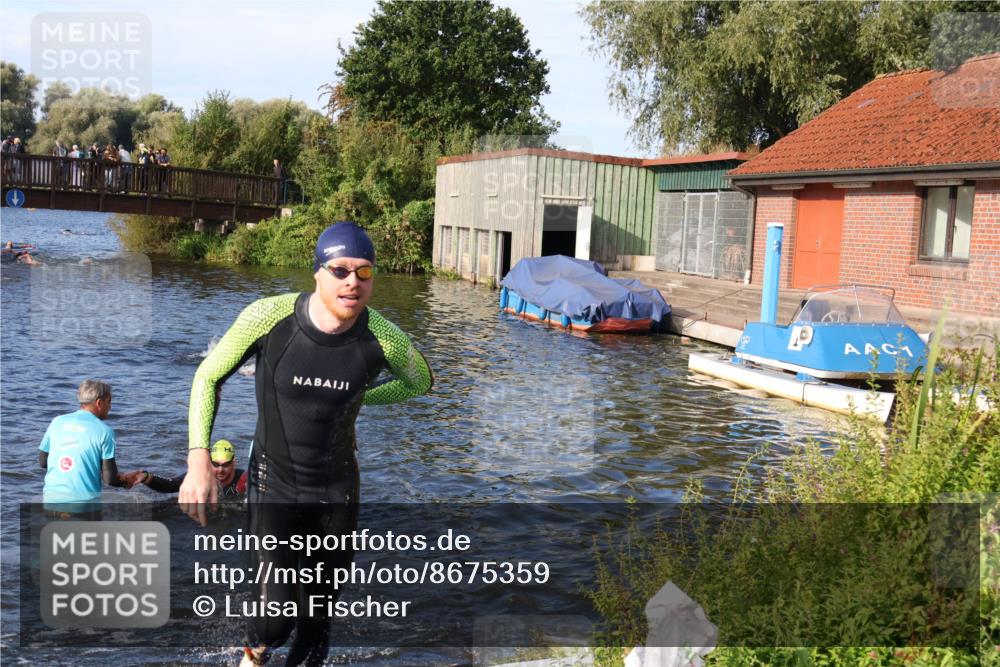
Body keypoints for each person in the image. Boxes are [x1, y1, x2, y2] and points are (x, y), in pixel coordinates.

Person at [178, 221, 433, 666]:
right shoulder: (268, 317)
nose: (352, 281)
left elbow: (420, 382)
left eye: (365, 272)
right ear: (317, 272)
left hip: (337, 492)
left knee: (316, 622)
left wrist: (361, 397)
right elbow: (208, 375)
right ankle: (253, 654)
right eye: (340, 270)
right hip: (273, 483)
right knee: (278, 619)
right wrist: (199, 461)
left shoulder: (384, 337)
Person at [38, 380, 134, 516]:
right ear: (99, 403)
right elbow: (110, 479)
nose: (110, 407)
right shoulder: (105, 432)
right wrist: (125, 481)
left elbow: (43, 462)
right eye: (109, 402)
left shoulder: (57, 421)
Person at [124, 439, 247, 497]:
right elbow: (171, 485)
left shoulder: (244, 478)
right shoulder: (200, 476)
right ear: (209, 462)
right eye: (216, 464)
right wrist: (145, 477)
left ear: (234, 463)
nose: (220, 470)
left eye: (225, 465)